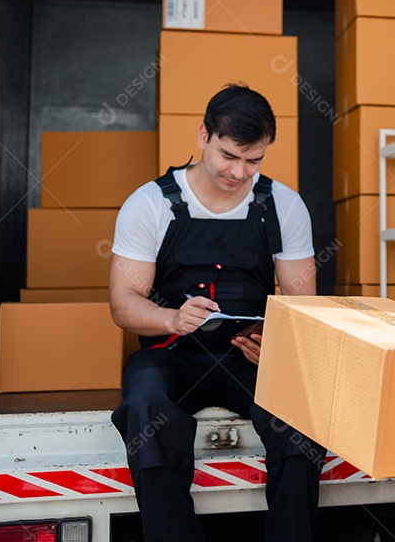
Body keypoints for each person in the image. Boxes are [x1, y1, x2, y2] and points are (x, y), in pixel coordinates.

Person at [108, 84, 324, 542]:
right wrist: (172, 319)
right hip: (172, 356)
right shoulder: (150, 203)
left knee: (302, 410)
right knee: (144, 405)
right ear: (204, 136)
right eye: (229, 156)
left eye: (253, 160)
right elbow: (123, 303)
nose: (239, 172)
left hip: (250, 359)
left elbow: (303, 304)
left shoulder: (283, 205)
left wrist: (279, 346)